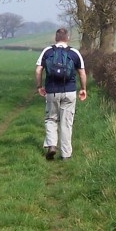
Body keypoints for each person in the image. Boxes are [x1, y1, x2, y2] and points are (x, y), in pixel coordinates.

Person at [35, 28, 87, 160]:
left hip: (52, 91)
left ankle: (52, 145)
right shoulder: (74, 53)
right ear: (67, 38)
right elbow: (82, 73)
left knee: (51, 118)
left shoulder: (47, 51)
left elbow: (38, 70)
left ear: (55, 38)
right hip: (69, 91)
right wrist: (83, 89)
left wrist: (39, 86)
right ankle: (66, 154)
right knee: (66, 122)